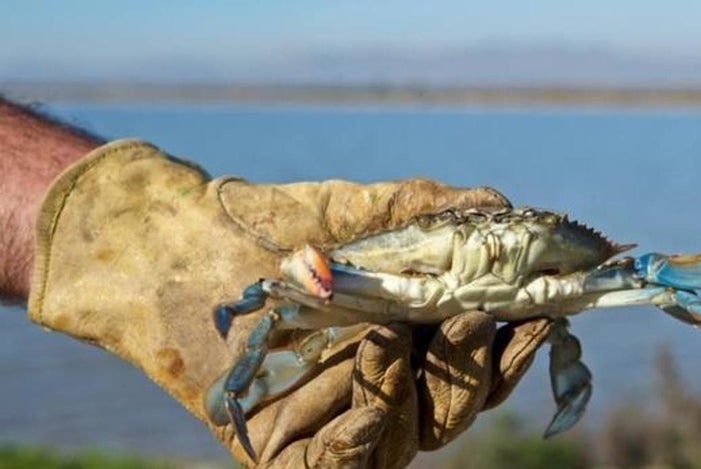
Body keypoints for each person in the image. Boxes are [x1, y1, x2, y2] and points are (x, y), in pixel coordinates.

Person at [0, 95, 551, 468]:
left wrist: (139, 234)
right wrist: (150, 249)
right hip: (348, 303)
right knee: (280, 319)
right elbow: (282, 291)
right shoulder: (322, 274)